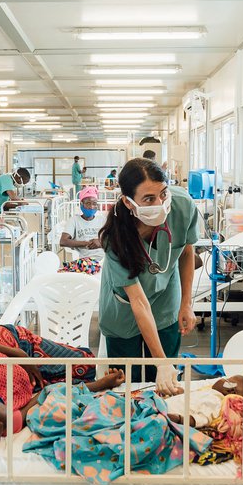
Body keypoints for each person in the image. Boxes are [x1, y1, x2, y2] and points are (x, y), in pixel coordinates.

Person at [98, 158, 199, 393]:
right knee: (126, 385)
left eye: (163, 193)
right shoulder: (115, 238)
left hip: (166, 299)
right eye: (149, 199)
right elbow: (139, 302)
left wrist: (186, 304)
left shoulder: (182, 205)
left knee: (165, 382)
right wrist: (160, 361)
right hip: (124, 309)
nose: (161, 203)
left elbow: (186, 251)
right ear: (129, 202)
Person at [164, 375, 243, 427]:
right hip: (162, 406)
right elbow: (194, 400)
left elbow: (202, 418)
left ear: (230, 390)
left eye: (227, 380)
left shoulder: (216, 401)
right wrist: (183, 393)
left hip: (166, 415)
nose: (222, 379)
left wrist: (179, 419)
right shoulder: (210, 392)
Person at [59, 186, 106, 260]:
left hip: (105, 259)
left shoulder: (102, 220)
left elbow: (114, 239)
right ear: (81, 204)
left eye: (94, 203)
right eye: (88, 203)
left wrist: (100, 242)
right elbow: (63, 241)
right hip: (85, 260)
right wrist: (86, 243)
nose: (91, 207)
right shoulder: (74, 221)